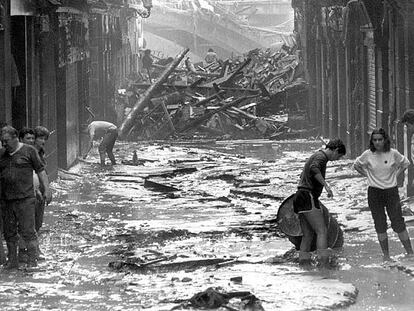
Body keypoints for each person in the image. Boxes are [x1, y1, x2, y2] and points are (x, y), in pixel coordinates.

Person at [354, 128, 413, 261]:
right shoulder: (368, 154)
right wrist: (367, 175)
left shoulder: (393, 153)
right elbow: (356, 165)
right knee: (379, 223)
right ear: (372, 141)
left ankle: (410, 252)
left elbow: (405, 163)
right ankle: (386, 256)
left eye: (380, 139)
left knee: (398, 222)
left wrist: (396, 175)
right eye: (374, 140)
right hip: (374, 192)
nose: (377, 142)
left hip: (391, 191)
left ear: (385, 140)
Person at [0, 126, 52, 269]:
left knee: (28, 231)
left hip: (25, 199)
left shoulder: (29, 151)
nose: (4, 144)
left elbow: (41, 172)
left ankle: (31, 260)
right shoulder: (2, 154)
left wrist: (47, 190)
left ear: (15, 138)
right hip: (7, 200)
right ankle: (12, 261)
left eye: (6, 141)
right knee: (9, 233)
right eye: (2, 141)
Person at [293, 139, 346, 268]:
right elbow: (314, 168)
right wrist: (326, 185)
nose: (336, 160)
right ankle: (323, 264)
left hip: (299, 196)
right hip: (307, 196)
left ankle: (304, 264)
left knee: (308, 234)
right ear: (335, 150)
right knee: (322, 231)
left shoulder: (316, 155)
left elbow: (304, 173)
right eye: (338, 156)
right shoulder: (321, 157)